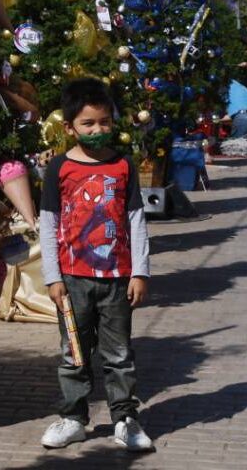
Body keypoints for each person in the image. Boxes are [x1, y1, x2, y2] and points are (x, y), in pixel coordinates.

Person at [38, 78, 153, 451]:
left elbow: (136, 220)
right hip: (72, 281)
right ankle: (73, 418)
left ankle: (125, 419)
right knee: (74, 351)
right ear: (70, 127)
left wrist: (139, 272)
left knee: (119, 354)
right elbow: (48, 224)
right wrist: (53, 277)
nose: (97, 129)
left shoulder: (122, 166)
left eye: (104, 121)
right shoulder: (59, 168)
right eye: (87, 123)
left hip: (117, 280)